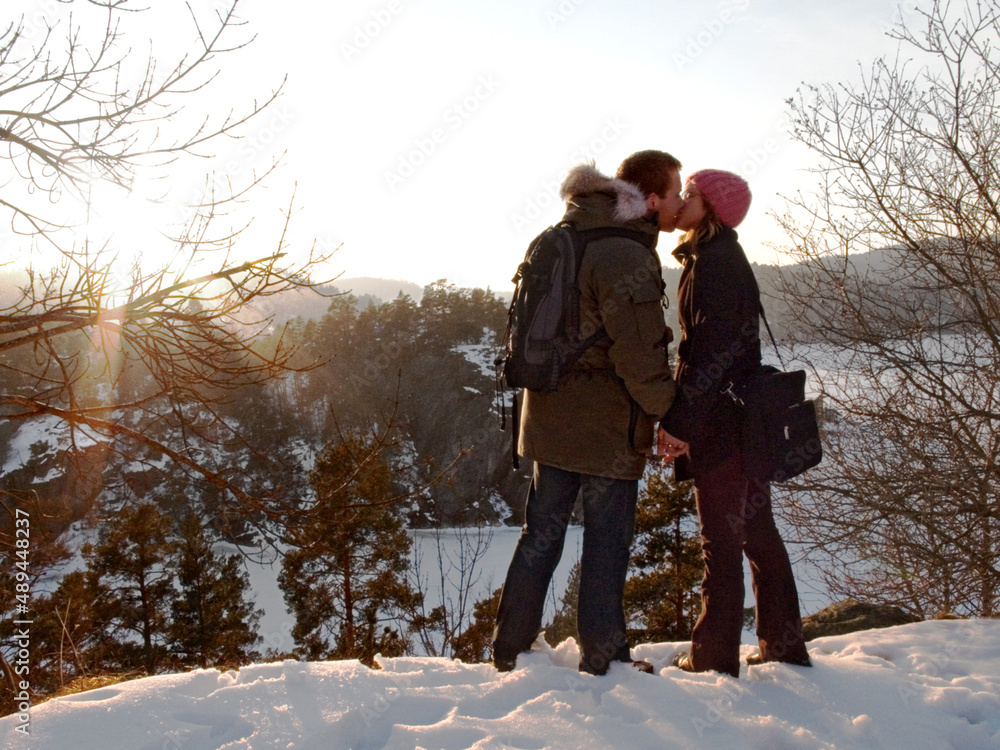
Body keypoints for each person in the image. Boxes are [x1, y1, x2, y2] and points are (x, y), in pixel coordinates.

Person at [492, 150, 690, 676]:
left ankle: (509, 650)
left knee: (540, 535)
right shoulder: (624, 253)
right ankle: (603, 658)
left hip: (548, 419)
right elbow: (639, 353)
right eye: (675, 192)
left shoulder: (569, 230)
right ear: (651, 199)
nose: (679, 203)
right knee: (607, 542)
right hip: (603, 430)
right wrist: (670, 413)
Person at [658, 169, 810, 678]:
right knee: (755, 535)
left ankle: (713, 659)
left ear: (713, 209)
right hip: (741, 421)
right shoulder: (716, 257)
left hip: (722, 425)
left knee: (720, 542)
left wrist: (680, 423)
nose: (682, 200)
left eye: (692, 194)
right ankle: (783, 648)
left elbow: (708, 353)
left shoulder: (715, 263)